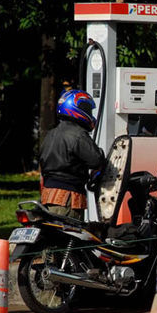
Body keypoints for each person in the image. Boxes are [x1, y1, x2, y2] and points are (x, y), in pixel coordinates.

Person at [39, 89, 106, 220]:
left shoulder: (51, 133)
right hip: (67, 198)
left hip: (48, 195)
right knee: (69, 236)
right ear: (78, 108)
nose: (90, 114)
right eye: (88, 110)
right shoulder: (78, 135)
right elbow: (96, 160)